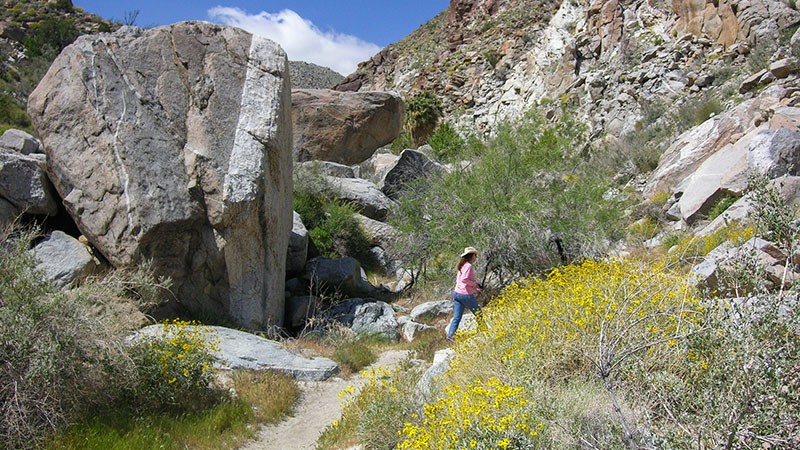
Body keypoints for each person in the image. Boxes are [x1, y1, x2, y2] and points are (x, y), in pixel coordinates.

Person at [447, 246, 482, 341]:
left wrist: (475, 289)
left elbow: (462, 282)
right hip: (465, 295)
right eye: (475, 255)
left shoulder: (462, 265)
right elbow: (465, 279)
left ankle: (450, 336)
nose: (476, 258)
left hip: (457, 293)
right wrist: (475, 284)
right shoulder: (468, 266)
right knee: (479, 313)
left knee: (457, 317)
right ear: (472, 256)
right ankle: (484, 331)